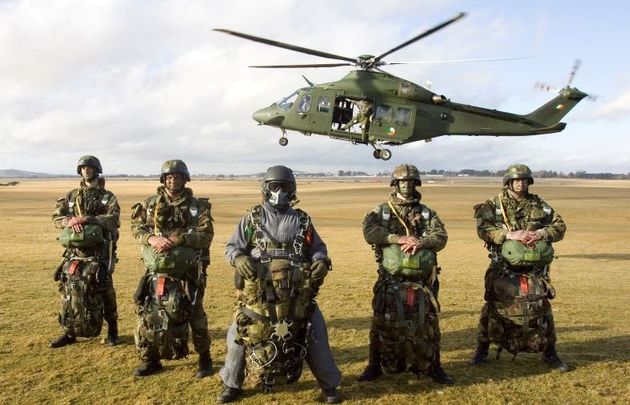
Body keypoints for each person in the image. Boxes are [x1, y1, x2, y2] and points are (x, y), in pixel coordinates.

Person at [217, 165, 341, 404]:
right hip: (257, 297)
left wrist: (321, 261)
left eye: (284, 187)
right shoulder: (251, 219)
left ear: (292, 190)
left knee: (316, 333)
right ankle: (231, 384)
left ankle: (330, 386)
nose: (279, 192)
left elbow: (318, 248)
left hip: (297, 295)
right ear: (265, 188)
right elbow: (231, 247)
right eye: (275, 186)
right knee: (237, 336)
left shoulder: (303, 220)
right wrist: (239, 257)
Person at [468, 164, 570, 372]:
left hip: (534, 268)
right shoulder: (494, 204)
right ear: (508, 182)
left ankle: (549, 353)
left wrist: (541, 234)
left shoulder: (538, 204)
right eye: (516, 180)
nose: (520, 183)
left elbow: (559, 226)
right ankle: (482, 348)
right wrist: (508, 235)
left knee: (542, 306)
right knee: (492, 306)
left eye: (524, 180)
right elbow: (483, 228)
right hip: (502, 266)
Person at [358, 164, 453, 384]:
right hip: (391, 279)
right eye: (403, 182)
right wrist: (397, 239)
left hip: (422, 281)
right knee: (381, 321)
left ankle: (434, 366)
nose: (407, 186)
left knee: (428, 323)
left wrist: (421, 242)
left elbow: (441, 236)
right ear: (395, 184)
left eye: (411, 182)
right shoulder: (382, 210)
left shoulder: (427, 213)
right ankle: (374, 366)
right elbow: (369, 231)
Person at [130, 159, 214, 378]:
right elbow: (137, 228)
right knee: (148, 312)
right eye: (169, 177)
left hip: (189, 270)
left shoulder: (198, 207)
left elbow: (206, 236)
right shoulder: (151, 204)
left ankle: (204, 358)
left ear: (184, 179)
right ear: (163, 180)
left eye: (177, 177)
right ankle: (150, 359)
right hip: (157, 270)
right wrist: (151, 239)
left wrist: (179, 239)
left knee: (195, 313)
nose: (172, 181)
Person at [50, 155, 120, 348]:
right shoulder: (71, 196)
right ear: (79, 171)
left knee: (105, 290)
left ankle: (113, 330)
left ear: (96, 170)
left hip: (100, 254)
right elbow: (56, 218)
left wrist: (87, 219)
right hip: (74, 253)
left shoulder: (107, 197)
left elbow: (113, 219)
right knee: (68, 290)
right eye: (83, 168)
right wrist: (69, 221)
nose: (86, 171)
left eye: (90, 168)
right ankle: (69, 332)